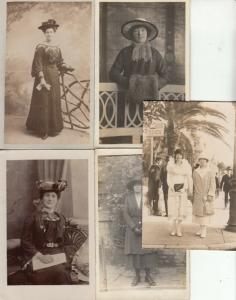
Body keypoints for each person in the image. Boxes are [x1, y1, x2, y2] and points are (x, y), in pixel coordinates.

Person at [110, 18, 168, 123]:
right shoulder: (125, 52)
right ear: (132, 34)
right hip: (129, 98)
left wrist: (153, 85)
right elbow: (113, 73)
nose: (140, 33)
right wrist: (130, 83)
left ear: (147, 34)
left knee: (148, 129)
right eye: (136, 31)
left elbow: (166, 75)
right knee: (128, 126)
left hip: (150, 99)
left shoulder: (155, 54)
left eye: (143, 30)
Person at [26, 19, 74, 139]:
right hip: (43, 76)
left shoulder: (57, 47)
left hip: (54, 77)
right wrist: (41, 79)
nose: (49, 34)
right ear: (44, 33)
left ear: (54, 33)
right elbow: (38, 64)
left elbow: (59, 62)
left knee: (53, 101)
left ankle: (53, 128)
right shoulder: (40, 47)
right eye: (47, 32)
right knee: (44, 102)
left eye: (51, 32)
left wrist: (65, 66)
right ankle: (43, 130)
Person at [20, 180, 71, 284]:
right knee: (58, 273)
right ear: (42, 198)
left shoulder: (61, 218)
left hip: (57, 256)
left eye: (53, 196)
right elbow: (25, 242)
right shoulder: (32, 217)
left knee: (63, 272)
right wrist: (40, 256)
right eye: (47, 196)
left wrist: (65, 254)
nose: (50, 199)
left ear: (57, 200)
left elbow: (64, 242)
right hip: (37, 256)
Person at [123, 179, 156, 286]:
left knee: (147, 253)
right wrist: (133, 227)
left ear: (142, 187)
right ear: (132, 187)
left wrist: (144, 225)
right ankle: (137, 276)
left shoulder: (147, 197)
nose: (137, 187)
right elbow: (125, 214)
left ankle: (148, 275)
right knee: (135, 252)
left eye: (139, 185)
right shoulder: (128, 198)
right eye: (135, 186)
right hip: (133, 229)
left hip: (145, 226)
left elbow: (150, 211)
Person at [167, 149, 192, 237]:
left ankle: (179, 229)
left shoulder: (186, 166)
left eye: (180, 155)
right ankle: (173, 229)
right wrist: (171, 186)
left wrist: (184, 188)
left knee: (180, 210)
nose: (178, 157)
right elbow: (168, 178)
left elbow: (187, 179)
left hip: (182, 191)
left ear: (182, 156)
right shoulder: (171, 166)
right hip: (173, 190)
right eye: (177, 155)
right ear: (175, 156)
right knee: (173, 209)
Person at [192, 154, 216, 238]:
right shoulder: (195, 172)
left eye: (204, 160)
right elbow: (193, 184)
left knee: (205, 213)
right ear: (199, 161)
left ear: (206, 161)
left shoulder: (210, 172)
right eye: (201, 160)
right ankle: (200, 228)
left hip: (206, 195)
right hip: (198, 195)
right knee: (198, 213)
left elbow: (213, 184)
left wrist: (210, 194)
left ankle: (204, 230)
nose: (202, 161)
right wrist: (192, 194)